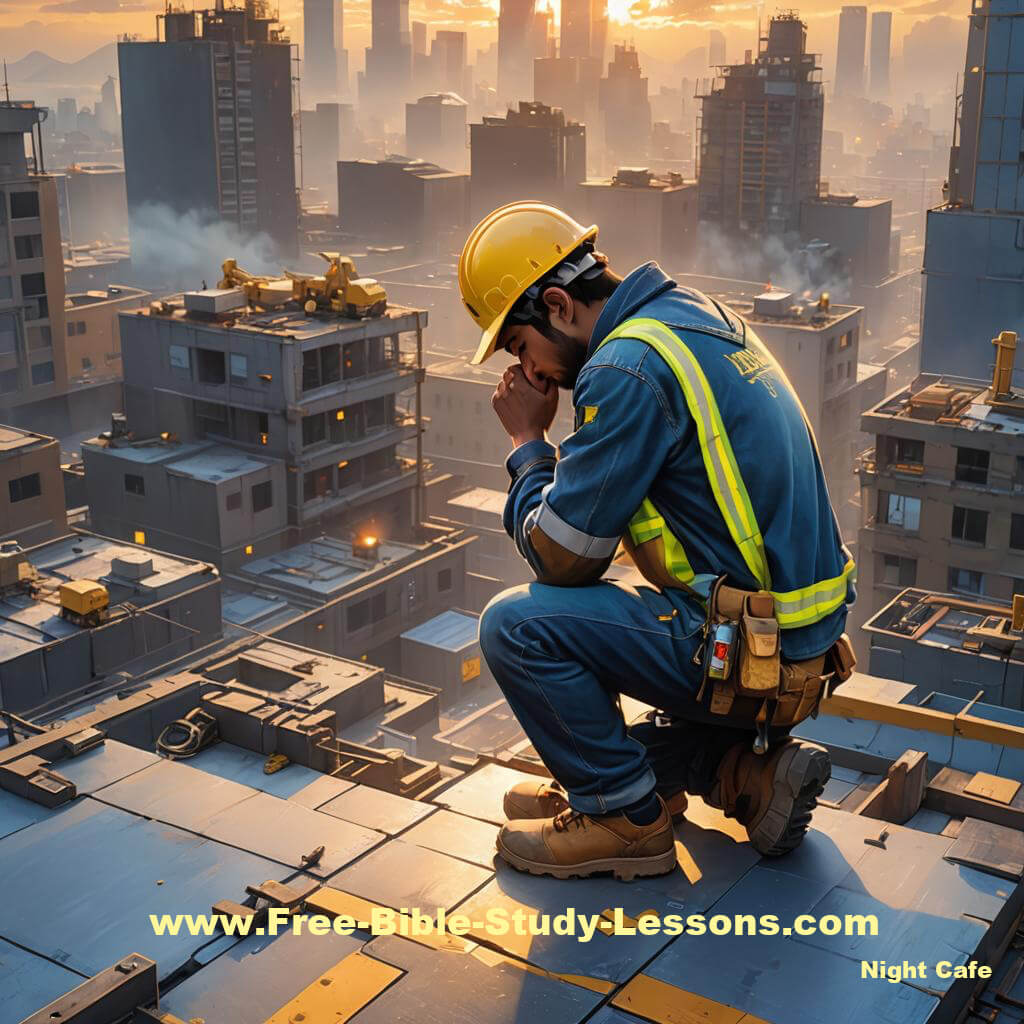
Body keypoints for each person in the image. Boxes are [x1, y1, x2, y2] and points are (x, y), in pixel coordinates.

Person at [459, 201, 856, 881]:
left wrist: (528, 444)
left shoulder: (626, 368)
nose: (532, 373)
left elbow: (563, 557)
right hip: (797, 645)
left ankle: (623, 816)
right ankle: (732, 770)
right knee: (609, 608)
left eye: (521, 347)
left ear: (557, 305)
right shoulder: (692, 316)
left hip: (750, 651)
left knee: (518, 627)